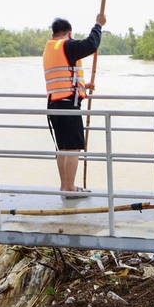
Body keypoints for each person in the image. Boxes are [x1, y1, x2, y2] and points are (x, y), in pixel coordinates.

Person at [42, 14, 106, 198]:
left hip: (54, 104)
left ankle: (65, 186)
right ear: (69, 34)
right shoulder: (67, 45)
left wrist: (82, 86)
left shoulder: (49, 48)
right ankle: (70, 188)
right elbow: (91, 45)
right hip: (68, 106)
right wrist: (98, 25)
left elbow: (62, 76)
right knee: (73, 149)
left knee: (62, 148)